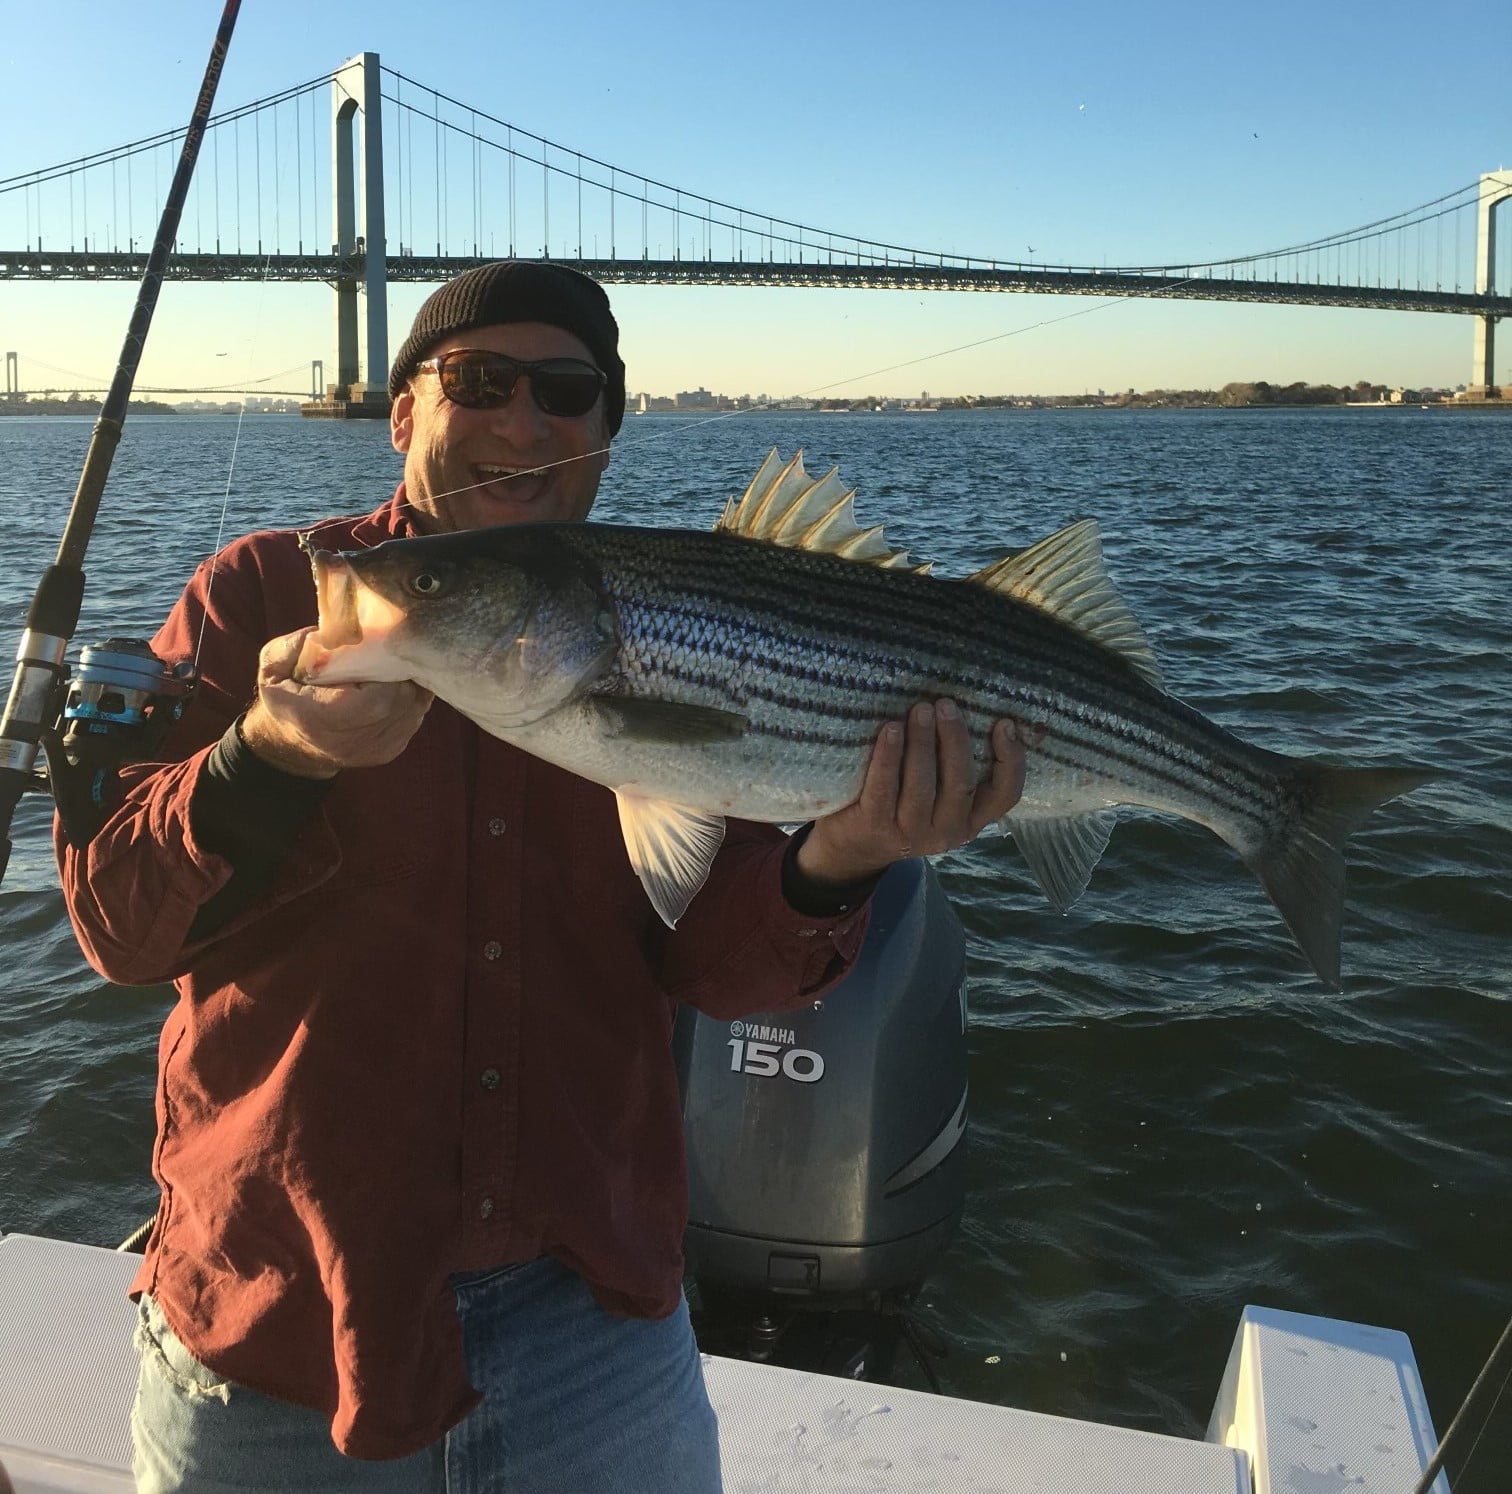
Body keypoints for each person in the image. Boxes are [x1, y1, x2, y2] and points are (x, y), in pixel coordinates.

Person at [56, 261, 1025, 1493]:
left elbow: (715, 968)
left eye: (568, 393)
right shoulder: (262, 594)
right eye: (480, 381)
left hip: (591, 1319)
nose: (524, 420)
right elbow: (114, 928)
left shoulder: (669, 628)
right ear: (404, 411)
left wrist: (845, 857)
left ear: (607, 438)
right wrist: (266, 757)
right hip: (280, 1309)